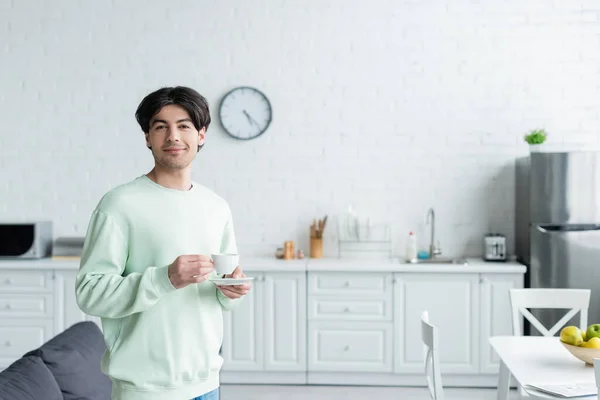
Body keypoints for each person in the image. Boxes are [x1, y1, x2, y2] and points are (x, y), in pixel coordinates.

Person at [75, 86, 252, 400]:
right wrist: (165, 278)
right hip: (144, 390)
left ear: (201, 135)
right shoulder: (118, 204)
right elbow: (90, 294)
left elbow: (222, 291)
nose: (173, 136)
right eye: (161, 127)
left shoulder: (216, 206)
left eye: (183, 126)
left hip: (207, 384)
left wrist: (231, 290)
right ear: (147, 137)